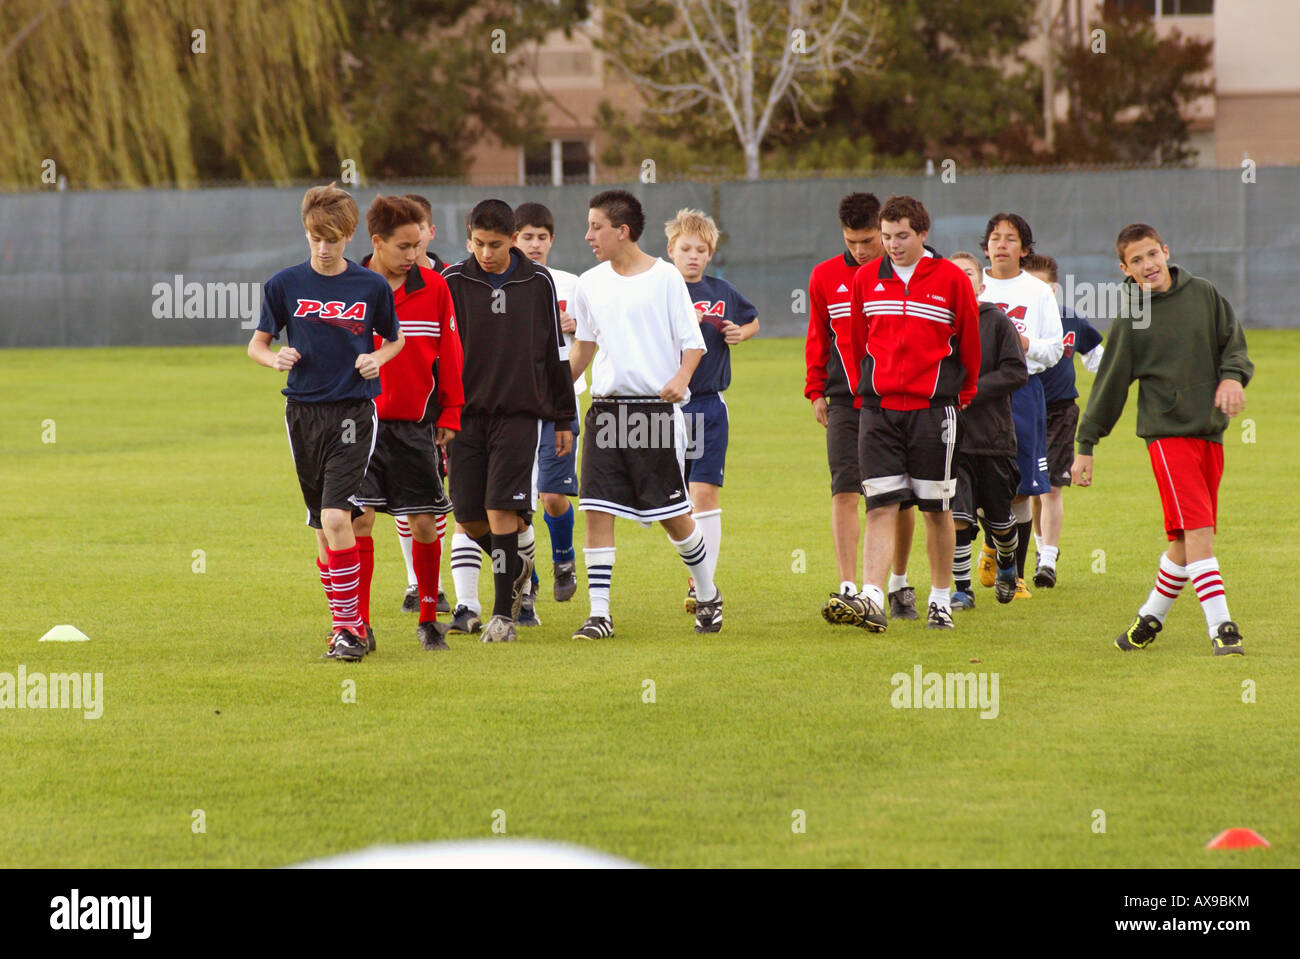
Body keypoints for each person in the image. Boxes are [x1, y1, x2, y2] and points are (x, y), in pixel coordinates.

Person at [1072, 223, 1252, 656]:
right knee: (1199, 530)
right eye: (1136, 260)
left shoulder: (1204, 294)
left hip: (1210, 432)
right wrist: (1086, 445)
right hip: (1167, 437)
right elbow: (1110, 385)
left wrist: (1231, 378)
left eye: (1152, 254)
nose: (1148, 265)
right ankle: (1222, 627)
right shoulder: (1132, 318)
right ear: (1125, 268)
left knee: (1184, 540)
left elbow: (1234, 345)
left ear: (1165, 251)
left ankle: (1148, 620)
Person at [247, 182, 404, 661]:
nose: (324, 247)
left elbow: (394, 340)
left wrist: (378, 357)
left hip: (354, 411)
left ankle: (347, 631)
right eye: (316, 237)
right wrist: (273, 358)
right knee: (321, 527)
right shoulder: (284, 284)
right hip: (302, 413)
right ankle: (352, 624)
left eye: (333, 238)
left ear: (349, 235)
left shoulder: (370, 285)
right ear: (307, 231)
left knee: (338, 516)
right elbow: (256, 344)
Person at [567, 189, 720, 638]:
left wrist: (680, 379)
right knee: (595, 508)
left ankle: (708, 595)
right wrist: (554, 389)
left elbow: (694, 344)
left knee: (672, 514)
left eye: (596, 226)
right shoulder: (588, 283)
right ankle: (600, 614)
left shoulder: (666, 278)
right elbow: (585, 347)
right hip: (605, 411)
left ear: (622, 231)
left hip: (653, 413)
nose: (589, 235)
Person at [830, 195, 980, 631]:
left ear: (922, 234)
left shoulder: (951, 279)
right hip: (878, 412)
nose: (893, 245)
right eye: (887, 236)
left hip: (934, 412)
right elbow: (858, 343)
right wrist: (868, 391)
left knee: (936, 508)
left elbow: (970, 342)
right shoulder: (865, 280)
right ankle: (872, 597)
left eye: (902, 236)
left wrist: (963, 392)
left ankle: (939, 599)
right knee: (879, 504)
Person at [440, 199, 576, 644]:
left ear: (513, 239)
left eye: (495, 244)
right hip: (463, 417)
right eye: (478, 243)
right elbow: (437, 354)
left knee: (501, 509)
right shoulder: (453, 281)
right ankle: (521, 560)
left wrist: (561, 418)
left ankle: (503, 615)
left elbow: (555, 354)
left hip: (520, 415)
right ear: (468, 239)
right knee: (468, 514)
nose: (486, 252)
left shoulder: (537, 282)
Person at [353, 195, 463, 651]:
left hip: (414, 427)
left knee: (423, 522)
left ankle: (427, 618)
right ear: (377, 242)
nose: (414, 255)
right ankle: (356, 624)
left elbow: (451, 357)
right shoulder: (350, 286)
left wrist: (452, 412)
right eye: (404, 246)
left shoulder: (436, 287)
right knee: (359, 522)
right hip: (357, 425)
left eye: (418, 245)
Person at [805, 193, 918, 625]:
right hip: (845, 402)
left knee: (897, 498)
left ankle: (899, 584)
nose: (860, 250)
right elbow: (819, 335)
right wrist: (816, 389)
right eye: (851, 242)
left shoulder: (902, 274)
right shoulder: (824, 276)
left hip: (896, 401)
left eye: (868, 240)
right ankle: (850, 587)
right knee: (844, 490)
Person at [664, 208, 759, 612]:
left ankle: (702, 584)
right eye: (685, 248)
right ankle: (697, 570)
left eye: (701, 250)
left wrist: (742, 332)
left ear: (710, 253)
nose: (692, 256)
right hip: (666, 411)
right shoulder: (660, 290)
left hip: (708, 407)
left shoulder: (722, 291)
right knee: (671, 501)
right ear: (670, 250)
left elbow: (752, 319)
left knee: (704, 493)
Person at [974, 214, 1063, 599]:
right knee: (977, 477)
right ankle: (992, 542)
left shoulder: (1037, 292)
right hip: (978, 395)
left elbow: (1055, 349)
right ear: (986, 246)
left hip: (1023, 391)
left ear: (1025, 249)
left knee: (1021, 487)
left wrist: (1025, 346)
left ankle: (1017, 573)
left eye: (1011, 238)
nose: (1002, 244)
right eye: (996, 237)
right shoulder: (973, 286)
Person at [946, 252, 1028, 609]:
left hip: (994, 441)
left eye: (968, 274)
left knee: (1000, 522)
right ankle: (962, 589)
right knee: (958, 520)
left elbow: (1016, 372)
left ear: (980, 284)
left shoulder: (996, 322)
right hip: (954, 441)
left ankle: (1007, 562)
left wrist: (971, 391)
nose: (961, 279)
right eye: (955, 274)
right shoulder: (938, 323)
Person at [515, 201, 584, 609]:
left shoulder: (572, 285)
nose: (535, 244)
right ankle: (529, 582)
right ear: (514, 239)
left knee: (552, 497)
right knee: (516, 503)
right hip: (515, 406)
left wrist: (580, 326)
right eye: (527, 237)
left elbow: (598, 339)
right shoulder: (506, 285)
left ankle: (564, 561)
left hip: (561, 404)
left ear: (552, 240)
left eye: (542, 237)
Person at [1021, 252, 1104, 588]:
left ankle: (1048, 560)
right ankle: (1038, 550)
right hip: (1023, 407)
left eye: (1044, 288)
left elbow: (1099, 359)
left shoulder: (1070, 321)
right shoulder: (1014, 324)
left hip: (1059, 411)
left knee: (1052, 487)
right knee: (1029, 487)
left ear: (1054, 290)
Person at [391, 193, 450, 616]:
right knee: (399, 504)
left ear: (430, 231)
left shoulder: (450, 278)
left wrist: (453, 407)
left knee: (432, 500)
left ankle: (435, 585)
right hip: (376, 419)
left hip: (429, 413)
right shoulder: (364, 278)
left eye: (421, 233)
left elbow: (454, 350)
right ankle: (417, 581)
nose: (415, 245)